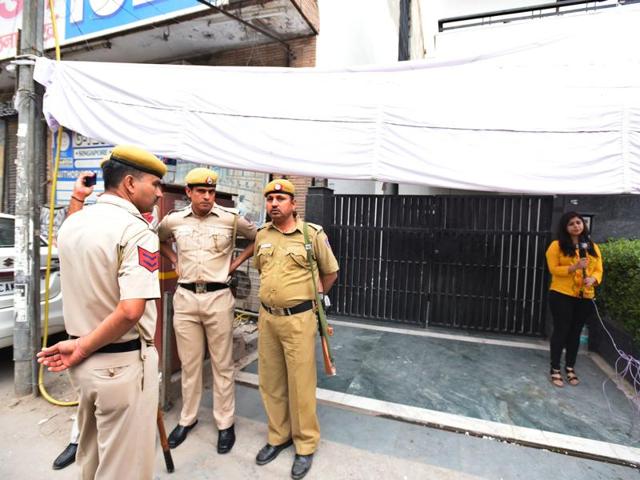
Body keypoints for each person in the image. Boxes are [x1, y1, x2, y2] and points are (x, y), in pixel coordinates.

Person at [37, 145, 166, 479]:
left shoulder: (74, 224)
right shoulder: (137, 231)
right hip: (120, 366)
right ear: (129, 183)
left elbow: (73, 226)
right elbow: (130, 310)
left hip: (84, 365)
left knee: (91, 457)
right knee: (124, 467)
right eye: (154, 183)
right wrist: (80, 347)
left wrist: (78, 197)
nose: (159, 192)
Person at [158, 167, 256, 453]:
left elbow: (256, 238)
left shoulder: (230, 219)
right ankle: (187, 419)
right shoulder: (174, 220)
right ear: (188, 192)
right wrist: (174, 259)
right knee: (189, 365)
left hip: (218, 298)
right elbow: (159, 237)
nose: (207, 197)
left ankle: (225, 423)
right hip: (186, 298)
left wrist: (235, 264)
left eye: (211, 192)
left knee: (222, 365)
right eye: (201, 191)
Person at [253, 179, 339, 480]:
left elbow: (331, 271)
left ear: (293, 204)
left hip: (299, 320)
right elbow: (261, 269)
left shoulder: (311, 235)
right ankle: (278, 436)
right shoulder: (262, 235)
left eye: (280, 198)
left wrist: (311, 299)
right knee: (271, 380)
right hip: (267, 319)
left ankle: (305, 444)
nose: (274, 203)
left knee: (300, 383)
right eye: (270, 198)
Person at [51, 171, 96, 471]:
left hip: (126, 325)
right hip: (88, 318)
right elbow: (68, 237)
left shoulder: (140, 221)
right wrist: (78, 198)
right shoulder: (93, 223)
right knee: (84, 388)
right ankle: (77, 438)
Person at [545, 211, 603, 388]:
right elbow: (553, 269)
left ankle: (570, 367)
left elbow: (598, 269)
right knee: (561, 330)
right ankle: (555, 368)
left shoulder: (591, 246)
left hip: (584, 296)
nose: (576, 226)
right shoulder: (556, 246)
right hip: (561, 294)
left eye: (579, 222)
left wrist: (593, 279)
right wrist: (574, 267)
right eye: (571, 224)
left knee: (575, 332)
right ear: (565, 227)